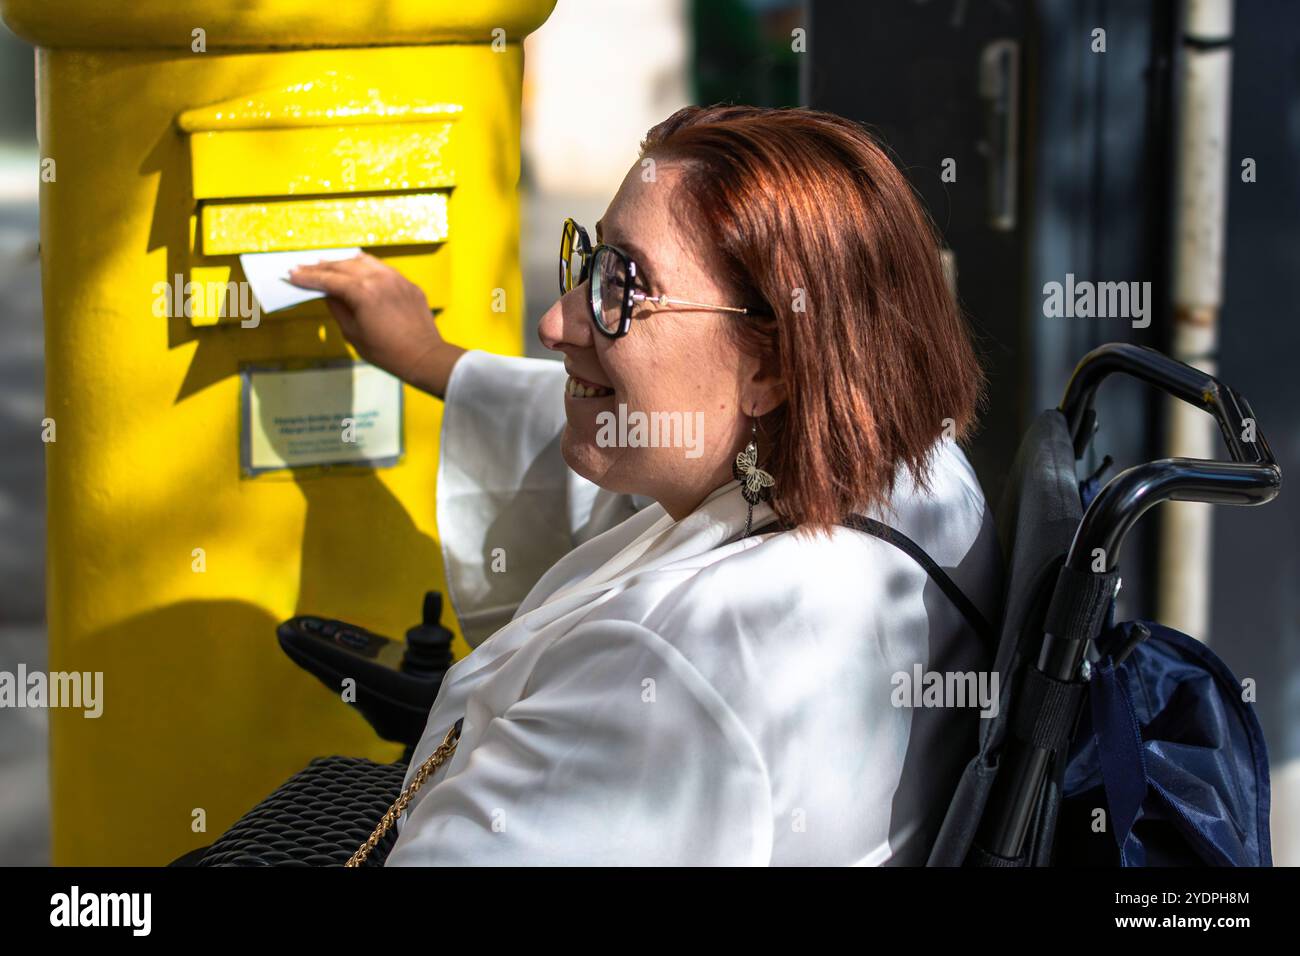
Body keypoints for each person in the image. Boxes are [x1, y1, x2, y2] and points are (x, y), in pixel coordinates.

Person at [287, 104, 1001, 866]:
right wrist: (434, 361)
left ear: (773, 366)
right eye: (589, 262)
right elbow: (670, 440)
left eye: (623, 287)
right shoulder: (918, 472)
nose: (555, 324)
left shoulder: (666, 673)